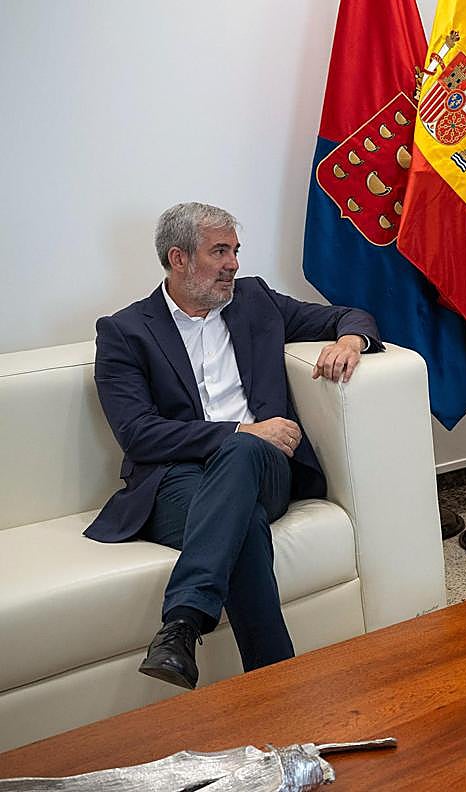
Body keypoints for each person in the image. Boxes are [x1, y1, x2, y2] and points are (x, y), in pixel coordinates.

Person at [88, 202, 382, 690]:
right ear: (178, 259)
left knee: (243, 455)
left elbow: (350, 314)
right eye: (219, 251)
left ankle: (182, 621)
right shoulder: (125, 332)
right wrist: (239, 431)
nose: (233, 264)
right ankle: (275, 687)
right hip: (175, 481)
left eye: (235, 251)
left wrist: (351, 342)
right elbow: (138, 432)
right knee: (241, 521)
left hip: (265, 465)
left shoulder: (255, 301)